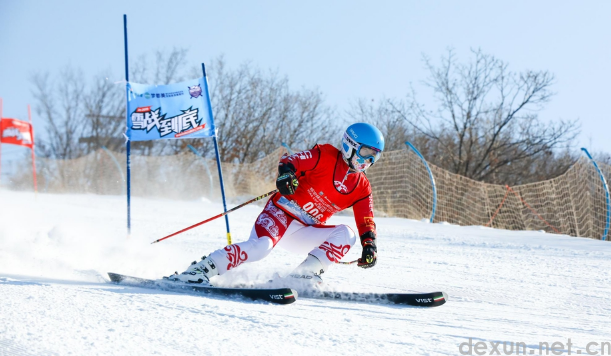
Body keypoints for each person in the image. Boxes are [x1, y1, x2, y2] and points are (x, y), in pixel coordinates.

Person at [170, 122, 385, 285]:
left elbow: (366, 219)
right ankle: (201, 269)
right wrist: (286, 176)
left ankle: (302, 277)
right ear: (350, 145)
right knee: (260, 248)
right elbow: (291, 161)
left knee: (347, 234)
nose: (368, 161)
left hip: (303, 230)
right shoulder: (325, 155)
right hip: (280, 214)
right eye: (366, 152)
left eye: (374, 156)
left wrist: (370, 245)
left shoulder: (361, 187)